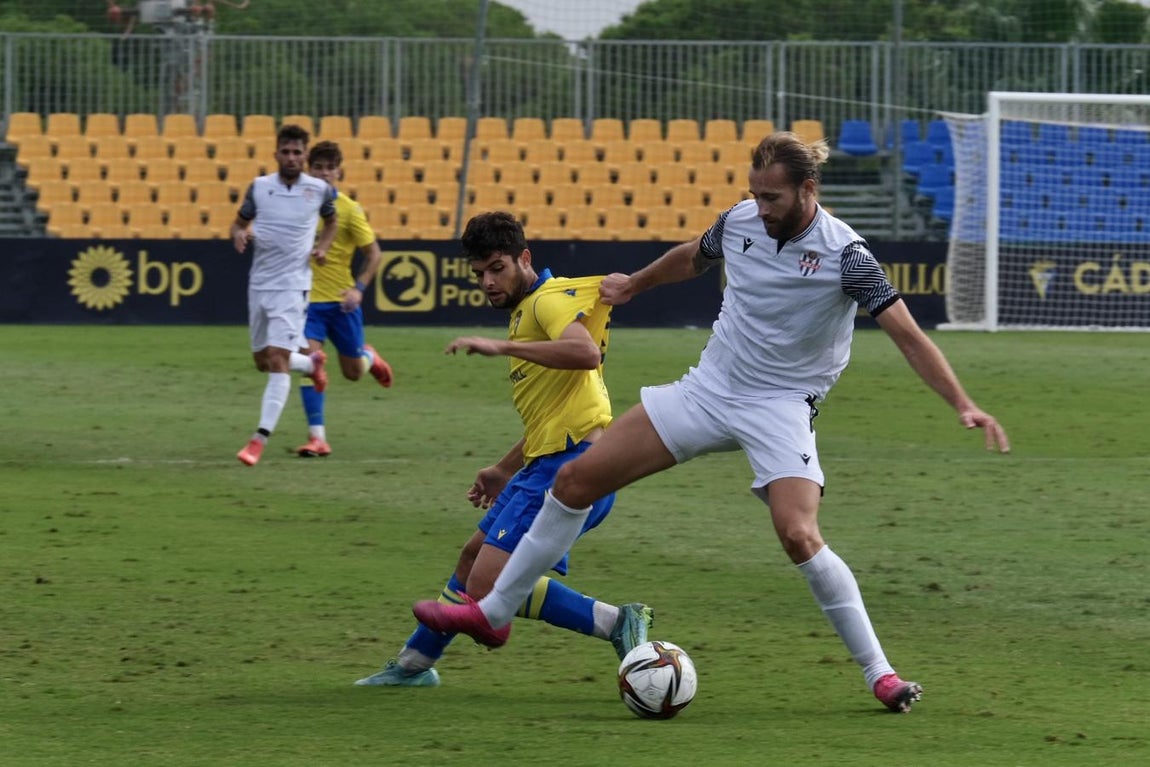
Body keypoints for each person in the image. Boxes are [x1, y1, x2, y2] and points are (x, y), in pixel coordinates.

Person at [414, 133, 1012, 712]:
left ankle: (880, 674)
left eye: (771, 197)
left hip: (782, 405)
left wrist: (963, 402)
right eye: (754, 193)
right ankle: (493, 614)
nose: (760, 206)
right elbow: (694, 258)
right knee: (575, 481)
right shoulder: (740, 221)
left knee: (799, 535)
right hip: (708, 390)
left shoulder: (846, 255)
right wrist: (637, 283)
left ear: (808, 189)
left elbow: (907, 335)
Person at [355, 211, 652, 687]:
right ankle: (414, 667)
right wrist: (502, 469)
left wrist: (502, 348)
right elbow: (553, 413)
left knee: (487, 589)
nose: (488, 282)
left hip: (572, 469)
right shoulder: (528, 309)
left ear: (524, 258)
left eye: (497, 268)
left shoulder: (546, 302)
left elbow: (584, 354)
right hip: (546, 463)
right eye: (479, 274)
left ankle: (617, 622)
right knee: (473, 559)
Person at [232, 124, 338, 466]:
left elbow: (331, 222)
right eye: (286, 151)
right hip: (259, 284)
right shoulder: (260, 188)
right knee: (263, 360)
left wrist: (322, 246)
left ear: (305, 155)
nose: (291, 157)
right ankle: (311, 363)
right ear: (276, 153)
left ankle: (257, 440)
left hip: (294, 285)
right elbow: (238, 222)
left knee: (277, 359)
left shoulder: (319, 189)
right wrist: (239, 234)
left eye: (297, 152)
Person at [294, 140, 394, 458]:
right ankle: (317, 437)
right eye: (318, 167)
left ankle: (369, 357)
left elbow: (374, 254)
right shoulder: (295, 204)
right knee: (311, 364)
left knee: (352, 372)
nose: (324, 174)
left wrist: (359, 289)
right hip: (305, 302)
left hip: (340, 303)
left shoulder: (349, 210)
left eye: (329, 168)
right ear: (309, 170)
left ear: (339, 172)